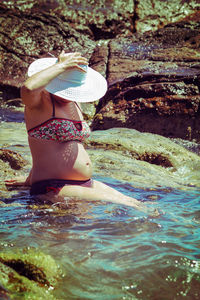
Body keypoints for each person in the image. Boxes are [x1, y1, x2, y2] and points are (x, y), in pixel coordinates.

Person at [6, 51, 151, 213]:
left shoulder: (74, 103)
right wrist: (61, 66)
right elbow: (28, 88)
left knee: (139, 204)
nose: (69, 92)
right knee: (129, 207)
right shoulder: (39, 103)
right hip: (52, 186)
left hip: (84, 182)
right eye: (67, 87)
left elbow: (49, 147)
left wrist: (29, 178)